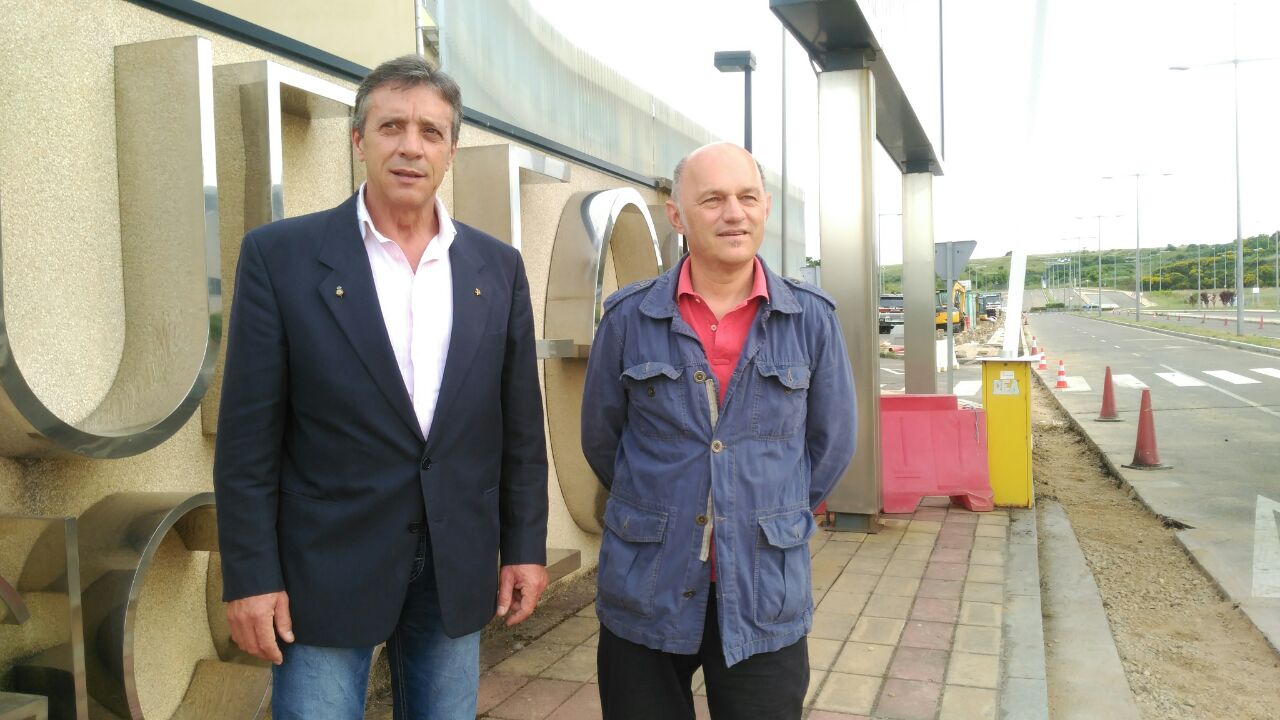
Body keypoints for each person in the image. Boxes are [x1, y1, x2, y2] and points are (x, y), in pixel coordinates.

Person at [213, 54, 548, 720]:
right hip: (324, 569)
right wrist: (251, 577)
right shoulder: (279, 258)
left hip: (457, 565)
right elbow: (247, 440)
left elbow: (519, 429)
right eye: (391, 126)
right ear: (359, 140)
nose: (411, 146)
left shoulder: (496, 268)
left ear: (451, 150)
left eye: (430, 131)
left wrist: (526, 550)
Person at [581, 142, 857, 720]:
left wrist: (764, 507)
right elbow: (602, 440)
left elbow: (830, 446)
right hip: (647, 585)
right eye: (713, 199)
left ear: (765, 208)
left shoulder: (810, 320)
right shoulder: (629, 318)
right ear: (676, 214)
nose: (734, 212)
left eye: (747, 197)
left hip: (764, 591)